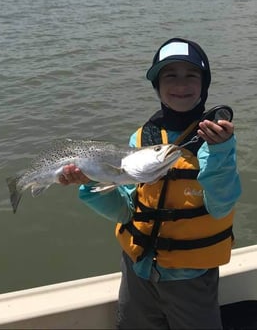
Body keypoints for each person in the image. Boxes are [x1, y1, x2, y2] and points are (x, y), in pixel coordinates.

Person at [59, 37, 242, 330]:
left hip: (191, 280)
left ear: (204, 83)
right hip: (137, 273)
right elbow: (126, 210)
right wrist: (91, 183)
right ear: (157, 86)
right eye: (170, 75)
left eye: (191, 75)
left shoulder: (215, 140)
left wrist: (221, 152)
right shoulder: (142, 139)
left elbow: (221, 206)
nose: (180, 85)